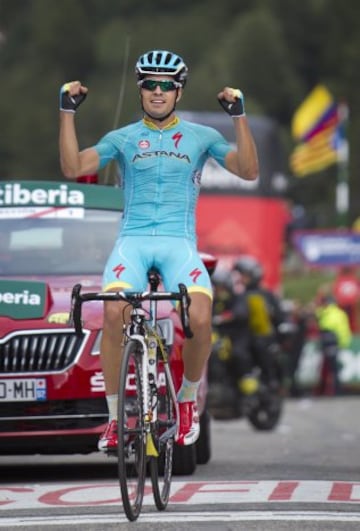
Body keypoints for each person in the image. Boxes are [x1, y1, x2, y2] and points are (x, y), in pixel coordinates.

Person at [59, 49, 259, 451]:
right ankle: (116, 420)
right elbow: (71, 166)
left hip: (178, 244)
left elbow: (249, 171)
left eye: (166, 85)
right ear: (140, 88)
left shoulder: (202, 136)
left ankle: (186, 401)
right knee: (113, 314)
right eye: (149, 83)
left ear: (179, 92)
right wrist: (67, 112)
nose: (157, 91)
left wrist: (239, 116)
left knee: (201, 318)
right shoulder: (123, 138)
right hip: (131, 242)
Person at [232, 256, 286, 389]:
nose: (241, 279)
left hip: (262, 344)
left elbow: (280, 318)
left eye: (244, 275)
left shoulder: (265, 296)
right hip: (245, 343)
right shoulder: (239, 296)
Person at [315, 293, 352, 395]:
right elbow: (344, 330)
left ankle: (329, 390)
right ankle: (336, 390)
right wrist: (344, 343)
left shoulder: (324, 312)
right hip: (336, 343)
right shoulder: (340, 313)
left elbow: (317, 317)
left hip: (327, 342)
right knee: (334, 368)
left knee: (329, 368)